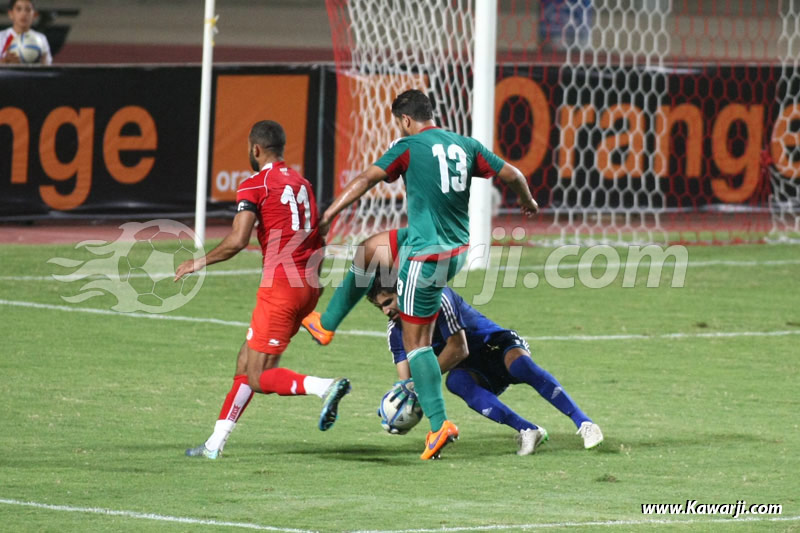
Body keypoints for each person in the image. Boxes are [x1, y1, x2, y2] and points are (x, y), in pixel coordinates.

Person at [316, 89, 539, 460]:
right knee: (370, 250)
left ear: (404, 120)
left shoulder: (408, 146)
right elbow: (513, 174)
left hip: (426, 256)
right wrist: (527, 201)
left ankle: (439, 426)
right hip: (455, 252)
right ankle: (326, 321)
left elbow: (367, 178)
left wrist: (329, 213)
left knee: (417, 342)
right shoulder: (466, 145)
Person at [175, 120, 351, 460]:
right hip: (308, 285)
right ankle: (215, 443)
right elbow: (319, 237)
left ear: (255, 149)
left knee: (258, 376)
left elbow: (239, 240)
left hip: (281, 288)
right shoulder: (303, 184)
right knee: (246, 360)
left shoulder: (255, 185)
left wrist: (199, 262)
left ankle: (324, 386)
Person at [367, 276, 604, 455]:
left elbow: (458, 349)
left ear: (403, 292)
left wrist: (418, 383)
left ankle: (585, 423)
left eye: (388, 302)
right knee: (457, 382)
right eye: (381, 308)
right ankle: (528, 430)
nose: (386, 311)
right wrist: (402, 406)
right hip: (472, 367)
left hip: (495, 345)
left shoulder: (439, 299)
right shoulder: (395, 332)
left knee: (521, 366)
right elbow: (406, 379)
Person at [0, 0, 52, 65]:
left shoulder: (41, 38)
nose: (24, 13)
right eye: (18, 9)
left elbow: (48, 66)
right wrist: (5, 61)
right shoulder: (1, 37)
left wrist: (42, 60)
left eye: (28, 10)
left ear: (34, 15)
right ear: (11, 14)